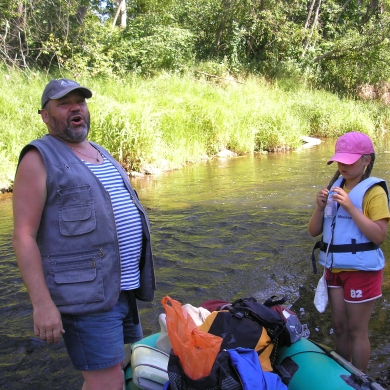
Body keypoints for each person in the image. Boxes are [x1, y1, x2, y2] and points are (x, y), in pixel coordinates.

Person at [12, 78, 156, 390]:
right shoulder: (38, 158)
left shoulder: (99, 152)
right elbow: (23, 236)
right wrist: (42, 303)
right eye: (64, 104)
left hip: (121, 291)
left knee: (122, 366)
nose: (76, 108)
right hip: (85, 298)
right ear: (45, 116)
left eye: (81, 101)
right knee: (108, 382)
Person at [309, 131, 390, 373]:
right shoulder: (334, 187)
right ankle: (341, 373)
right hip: (335, 269)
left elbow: (379, 236)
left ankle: (359, 379)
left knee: (356, 329)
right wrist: (319, 208)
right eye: (340, 160)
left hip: (362, 271)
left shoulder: (374, 192)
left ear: (366, 160)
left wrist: (350, 206)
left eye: (349, 160)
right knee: (340, 326)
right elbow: (314, 231)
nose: (343, 165)